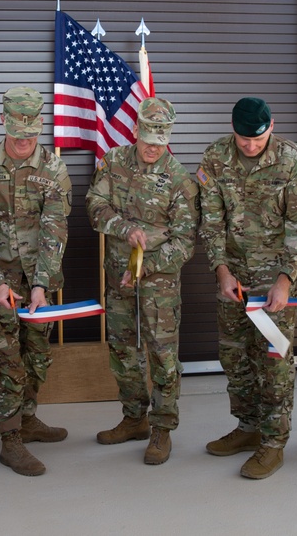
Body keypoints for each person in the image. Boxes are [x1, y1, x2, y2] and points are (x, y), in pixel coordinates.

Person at [196, 97, 297, 479]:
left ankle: (273, 442)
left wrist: (286, 279)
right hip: (233, 278)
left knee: (273, 360)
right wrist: (221, 271)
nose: (250, 146)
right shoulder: (216, 157)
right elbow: (211, 221)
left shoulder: (292, 160)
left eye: (258, 138)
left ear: (272, 126)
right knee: (235, 356)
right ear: (231, 129)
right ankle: (248, 428)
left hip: (274, 281)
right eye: (243, 139)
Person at [0, 86, 72, 476]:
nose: (24, 142)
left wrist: (41, 285)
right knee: (5, 362)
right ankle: (10, 441)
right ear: (3, 124)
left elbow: (54, 230)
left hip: (39, 283)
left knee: (36, 357)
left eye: (30, 135)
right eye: (16, 135)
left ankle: (27, 418)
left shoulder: (54, 169)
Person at [86, 97, 199, 465]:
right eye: (147, 139)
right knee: (122, 351)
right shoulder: (115, 162)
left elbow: (184, 244)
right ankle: (134, 418)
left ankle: (162, 430)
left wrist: (146, 268)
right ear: (136, 131)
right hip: (118, 278)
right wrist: (126, 228)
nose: (152, 148)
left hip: (159, 288)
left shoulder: (181, 181)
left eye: (159, 141)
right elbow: (95, 206)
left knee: (163, 357)